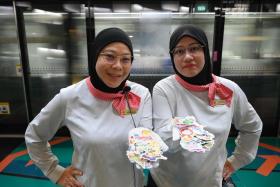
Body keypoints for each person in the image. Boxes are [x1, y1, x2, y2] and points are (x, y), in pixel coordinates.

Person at [25, 27, 152, 187]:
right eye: (110, 57)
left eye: (125, 59)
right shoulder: (70, 96)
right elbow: (34, 135)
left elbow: (147, 140)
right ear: (94, 57)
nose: (118, 66)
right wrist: (54, 171)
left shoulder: (141, 94)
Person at [149, 25, 263, 187]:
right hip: (165, 181)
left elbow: (253, 126)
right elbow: (165, 140)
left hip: (210, 181)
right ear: (172, 57)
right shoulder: (165, 89)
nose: (187, 57)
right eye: (179, 51)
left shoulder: (228, 89)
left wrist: (237, 160)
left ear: (206, 51)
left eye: (194, 48)